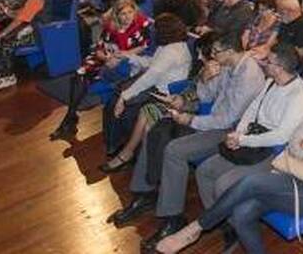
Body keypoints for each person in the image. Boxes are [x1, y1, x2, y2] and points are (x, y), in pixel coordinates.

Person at [155, 69, 303, 254]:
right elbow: (293, 142)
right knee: (241, 214)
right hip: (291, 175)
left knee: (251, 182)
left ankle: (195, 229)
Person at [110, 31, 266, 247]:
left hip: (231, 132)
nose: (212, 55)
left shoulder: (248, 76)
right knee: (156, 129)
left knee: (174, 150)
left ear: (230, 52)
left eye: (216, 52)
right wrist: (204, 77)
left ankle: (172, 218)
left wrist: (190, 120)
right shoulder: (228, 65)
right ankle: (143, 193)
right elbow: (206, 96)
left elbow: (225, 120)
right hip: (213, 120)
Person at [192, 44, 303, 216]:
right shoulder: (271, 82)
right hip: (251, 140)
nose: (264, 63)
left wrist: (243, 140)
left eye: (268, 62)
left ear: (279, 68)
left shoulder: (299, 96)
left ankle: (229, 224)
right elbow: (253, 109)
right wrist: (238, 134)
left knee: (223, 184)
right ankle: (220, 221)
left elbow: (281, 137)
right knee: (204, 171)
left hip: (271, 152)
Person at [50, 0, 152, 140]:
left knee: (89, 76)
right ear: (117, 15)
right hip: (105, 57)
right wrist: (105, 58)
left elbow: (145, 45)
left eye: (130, 12)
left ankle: (69, 120)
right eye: (123, 13)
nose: (128, 16)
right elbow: (99, 48)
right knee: (80, 74)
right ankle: (71, 116)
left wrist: (123, 55)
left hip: (124, 59)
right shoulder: (111, 27)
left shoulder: (142, 23)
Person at [102, 14, 195, 165]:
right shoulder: (170, 46)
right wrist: (127, 56)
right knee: (116, 98)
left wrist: (125, 97)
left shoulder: (172, 51)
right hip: (156, 85)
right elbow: (152, 63)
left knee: (120, 103)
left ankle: (119, 147)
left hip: (162, 93)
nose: (153, 32)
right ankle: (115, 144)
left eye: (156, 30)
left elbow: (150, 76)